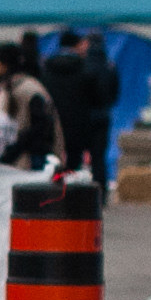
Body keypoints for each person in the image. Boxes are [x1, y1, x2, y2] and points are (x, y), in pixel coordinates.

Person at [48, 30, 121, 186]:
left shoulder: (78, 66)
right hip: (100, 117)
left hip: (75, 118)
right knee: (98, 158)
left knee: (66, 156)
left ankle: (66, 190)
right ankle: (99, 192)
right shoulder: (108, 66)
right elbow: (113, 93)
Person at [0, 37, 65, 172]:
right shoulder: (7, 88)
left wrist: (15, 150)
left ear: (5, 64)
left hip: (31, 160)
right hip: (16, 160)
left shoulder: (28, 90)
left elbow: (41, 125)